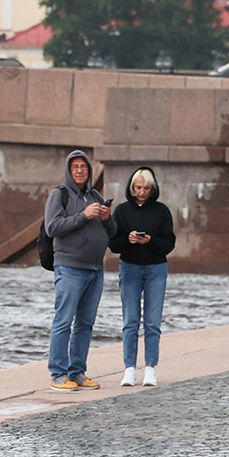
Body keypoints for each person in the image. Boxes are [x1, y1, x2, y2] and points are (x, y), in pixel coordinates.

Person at [43, 149, 111, 392]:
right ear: (69, 171)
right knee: (64, 321)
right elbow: (52, 227)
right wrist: (83, 215)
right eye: (75, 167)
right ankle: (58, 374)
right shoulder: (59, 195)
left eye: (83, 167)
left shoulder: (95, 195)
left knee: (85, 324)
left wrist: (107, 218)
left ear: (89, 171)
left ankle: (77, 372)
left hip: (95, 269)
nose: (80, 171)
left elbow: (112, 232)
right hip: (70, 268)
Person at [108, 166, 175, 387]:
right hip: (130, 267)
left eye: (146, 188)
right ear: (131, 187)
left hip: (156, 268)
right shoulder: (121, 211)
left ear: (152, 188)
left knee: (153, 322)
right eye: (137, 188)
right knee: (130, 320)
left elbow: (169, 243)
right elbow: (113, 244)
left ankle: (150, 368)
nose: (141, 192)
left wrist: (150, 241)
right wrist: (128, 239)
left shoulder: (162, 211)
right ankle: (129, 368)